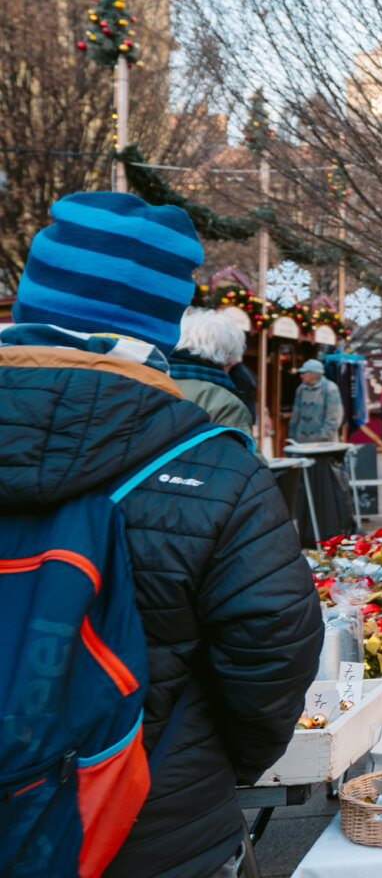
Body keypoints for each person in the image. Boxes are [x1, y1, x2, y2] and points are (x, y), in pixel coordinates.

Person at [0, 191, 322, 878]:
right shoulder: (212, 466)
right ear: (159, 321)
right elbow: (274, 647)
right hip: (150, 831)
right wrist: (205, 762)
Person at [171, 308, 255, 432]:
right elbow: (241, 449)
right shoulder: (226, 403)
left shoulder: (152, 380)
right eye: (230, 363)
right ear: (226, 356)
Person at [289, 357, 344, 443]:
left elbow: (334, 417)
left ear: (313, 374)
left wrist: (322, 437)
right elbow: (296, 414)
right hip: (302, 442)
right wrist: (293, 434)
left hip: (324, 444)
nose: (301, 375)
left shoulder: (330, 388)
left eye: (304, 373)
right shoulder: (301, 389)